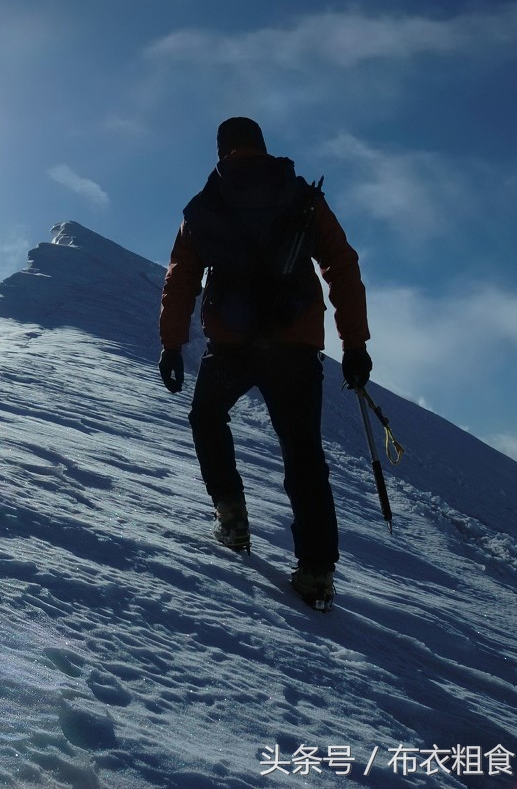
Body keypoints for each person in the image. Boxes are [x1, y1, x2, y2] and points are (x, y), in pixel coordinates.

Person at [157, 117, 373, 609]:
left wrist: (172, 345)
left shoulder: (202, 206)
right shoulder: (302, 196)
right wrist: (354, 344)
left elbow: (181, 278)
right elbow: (342, 265)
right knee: (303, 455)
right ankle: (316, 572)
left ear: (221, 150)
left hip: (232, 345)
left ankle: (231, 516)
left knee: (207, 417)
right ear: (260, 146)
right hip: (294, 345)